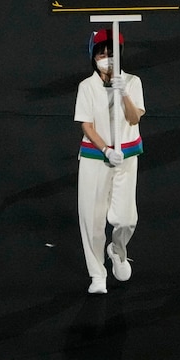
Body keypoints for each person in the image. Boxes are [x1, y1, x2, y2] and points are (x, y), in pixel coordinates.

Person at [74, 29, 145, 295]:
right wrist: (104, 149)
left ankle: (117, 250)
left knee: (126, 219)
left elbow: (135, 118)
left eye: (111, 53)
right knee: (91, 219)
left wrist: (123, 91)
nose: (106, 57)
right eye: (101, 53)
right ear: (93, 56)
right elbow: (86, 125)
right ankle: (97, 274)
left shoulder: (133, 82)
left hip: (126, 157)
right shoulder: (86, 86)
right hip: (96, 158)